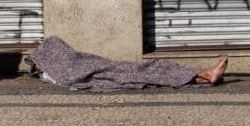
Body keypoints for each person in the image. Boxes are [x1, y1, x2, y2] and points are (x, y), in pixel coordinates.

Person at [27, 36, 227, 93]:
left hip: (101, 67)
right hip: (101, 74)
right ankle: (205, 76)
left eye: (36, 64)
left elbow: (73, 62)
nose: (36, 68)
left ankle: (206, 76)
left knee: (148, 70)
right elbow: (70, 77)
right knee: (147, 73)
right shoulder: (51, 75)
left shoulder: (55, 63)